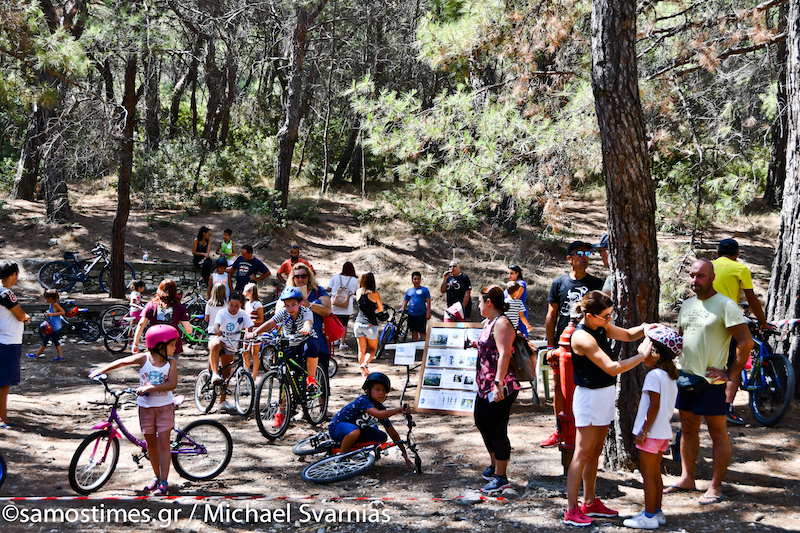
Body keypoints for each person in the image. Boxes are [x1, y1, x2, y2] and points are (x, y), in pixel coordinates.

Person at [665, 259, 753, 505]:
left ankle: (715, 487)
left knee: (717, 433)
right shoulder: (687, 304)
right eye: (692, 276)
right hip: (686, 379)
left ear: (712, 277)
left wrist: (731, 373)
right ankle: (687, 478)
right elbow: (681, 339)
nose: (695, 281)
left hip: (712, 383)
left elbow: (746, 342)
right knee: (688, 429)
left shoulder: (726, 305)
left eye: (701, 276)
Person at [564, 291, 653, 527]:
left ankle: (590, 502)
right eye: (605, 316)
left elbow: (627, 334)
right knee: (582, 453)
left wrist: (646, 327)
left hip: (603, 395)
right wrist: (641, 356)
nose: (609, 319)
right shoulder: (582, 337)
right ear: (590, 315)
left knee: (595, 453)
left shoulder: (601, 326)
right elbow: (612, 368)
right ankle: (571, 509)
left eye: (610, 315)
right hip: (589, 398)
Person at [88, 325, 180, 496]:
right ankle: (157, 476)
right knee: (151, 445)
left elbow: (172, 384)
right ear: (161, 345)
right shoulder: (144, 358)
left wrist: (151, 387)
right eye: (172, 344)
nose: (175, 348)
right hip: (145, 408)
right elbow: (122, 361)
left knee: (163, 444)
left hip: (164, 407)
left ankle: (164, 482)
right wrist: (101, 370)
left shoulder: (171, 362)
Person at [542, 240, 605, 448]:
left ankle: (583, 431)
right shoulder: (559, 283)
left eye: (587, 253)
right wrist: (550, 347)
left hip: (588, 345)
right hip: (563, 344)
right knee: (560, 389)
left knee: (585, 388)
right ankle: (560, 429)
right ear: (569, 259)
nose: (584, 257)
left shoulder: (597, 284)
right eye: (579, 253)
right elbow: (551, 315)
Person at [712, 238, 776, 425]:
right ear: (736, 254)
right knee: (735, 362)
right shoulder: (740, 269)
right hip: (728, 320)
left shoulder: (708, 266)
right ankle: (726, 409)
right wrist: (763, 322)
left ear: (718, 253)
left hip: (705, 319)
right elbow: (752, 300)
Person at [623, 327, 681, 530]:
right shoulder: (670, 376)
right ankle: (656, 511)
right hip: (663, 433)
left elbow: (653, 407)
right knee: (655, 474)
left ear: (655, 354)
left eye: (646, 347)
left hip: (651, 434)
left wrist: (643, 432)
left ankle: (648, 517)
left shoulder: (654, 376)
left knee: (647, 475)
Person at [249, 287, 320, 426]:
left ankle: (311, 378)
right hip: (290, 344)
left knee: (311, 346)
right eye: (287, 305)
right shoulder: (284, 313)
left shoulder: (306, 312)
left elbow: (308, 321)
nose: (290, 308)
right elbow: (271, 323)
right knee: (284, 377)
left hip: (305, 341)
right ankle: (281, 412)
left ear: (300, 303)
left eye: (293, 304)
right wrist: (255, 332)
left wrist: (306, 328)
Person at [473, 285, 520, 494]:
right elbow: (488, 346)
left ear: (489, 302)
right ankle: (494, 465)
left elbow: (505, 354)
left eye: (480, 301)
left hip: (500, 385)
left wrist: (498, 384)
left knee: (497, 429)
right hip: (484, 384)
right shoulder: (489, 322)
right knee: (481, 421)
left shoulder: (502, 323)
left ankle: (501, 477)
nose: (478, 305)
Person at [328, 372, 414, 468]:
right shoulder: (363, 400)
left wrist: (404, 453)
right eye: (377, 390)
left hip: (356, 431)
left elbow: (392, 432)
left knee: (382, 437)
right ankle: (340, 460)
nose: (381, 393)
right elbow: (379, 415)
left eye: (384, 391)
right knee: (354, 431)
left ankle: (358, 454)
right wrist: (399, 409)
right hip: (337, 427)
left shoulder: (381, 408)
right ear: (368, 391)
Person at [284, 263, 332, 380]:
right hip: (294, 341)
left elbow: (327, 310)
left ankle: (321, 397)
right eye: (297, 277)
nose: (300, 279)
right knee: (290, 377)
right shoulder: (289, 292)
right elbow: (279, 311)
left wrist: (309, 305)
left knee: (320, 378)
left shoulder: (318, 291)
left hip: (317, 340)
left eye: (303, 276)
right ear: (293, 278)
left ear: (309, 276)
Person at [208, 291, 253, 411]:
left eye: (236, 306)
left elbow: (250, 327)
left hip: (231, 345)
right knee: (215, 344)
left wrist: (252, 334)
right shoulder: (222, 313)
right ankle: (214, 373)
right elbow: (216, 326)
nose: (233, 308)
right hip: (220, 340)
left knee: (227, 376)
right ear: (228, 303)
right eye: (231, 305)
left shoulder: (242, 314)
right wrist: (217, 330)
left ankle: (222, 401)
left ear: (241, 306)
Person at [0, 262, 31, 429]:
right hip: (7, 341)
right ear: (14, 274)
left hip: (3, 340)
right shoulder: (6, 294)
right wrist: (26, 317)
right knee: (3, 383)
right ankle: (3, 418)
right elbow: (19, 315)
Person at [132, 279, 192, 359]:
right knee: (170, 369)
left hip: (154, 343)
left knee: (155, 368)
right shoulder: (180, 307)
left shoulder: (151, 305)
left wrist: (135, 343)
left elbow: (141, 324)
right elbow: (188, 330)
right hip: (173, 345)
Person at [353, 272, 383, 377]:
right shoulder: (374, 293)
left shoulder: (358, 292)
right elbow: (381, 308)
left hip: (358, 323)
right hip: (370, 324)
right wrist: (375, 311)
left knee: (361, 349)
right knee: (372, 350)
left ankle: (363, 371)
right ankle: (365, 364)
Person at [326, 262, 359, 349]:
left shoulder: (335, 277)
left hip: (334, 304)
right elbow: (356, 292)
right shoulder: (353, 280)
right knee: (344, 324)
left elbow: (328, 288)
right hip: (346, 306)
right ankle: (342, 343)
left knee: (335, 323)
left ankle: (335, 340)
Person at [26, 289, 65, 362]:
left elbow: (63, 312)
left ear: (50, 298)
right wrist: (47, 314)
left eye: (46, 298)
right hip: (52, 326)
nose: (45, 300)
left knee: (45, 341)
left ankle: (36, 355)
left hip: (53, 327)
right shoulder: (51, 304)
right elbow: (51, 312)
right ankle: (61, 356)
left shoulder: (55, 304)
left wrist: (52, 314)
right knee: (56, 341)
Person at [401, 271, 431, 342]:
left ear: (420, 280)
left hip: (421, 314)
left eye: (418, 279)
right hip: (412, 314)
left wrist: (428, 313)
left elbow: (428, 301)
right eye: (415, 279)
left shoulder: (425, 290)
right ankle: (415, 348)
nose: (416, 281)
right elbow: (405, 300)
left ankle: (425, 347)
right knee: (414, 331)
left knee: (422, 331)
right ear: (412, 280)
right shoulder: (409, 291)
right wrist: (402, 307)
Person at [243, 282, 264, 381]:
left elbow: (261, 319)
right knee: (245, 351)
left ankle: (254, 376)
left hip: (256, 331)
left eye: (245, 291)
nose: (244, 293)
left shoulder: (257, 304)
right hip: (247, 331)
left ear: (251, 292)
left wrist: (250, 321)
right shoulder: (247, 304)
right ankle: (246, 372)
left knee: (254, 353)